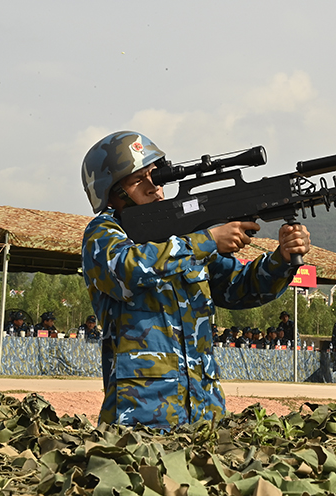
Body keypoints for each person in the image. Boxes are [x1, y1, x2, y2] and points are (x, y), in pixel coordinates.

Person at [81, 130, 310, 427]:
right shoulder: (105, 232)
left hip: (204, 412)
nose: (153, 186)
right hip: (141, 416)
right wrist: (206, 241)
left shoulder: (182, 238)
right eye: (138, 180)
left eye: (156, 174)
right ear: (111, 193)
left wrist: (281, 258)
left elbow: (239, 288)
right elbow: (127, 269)